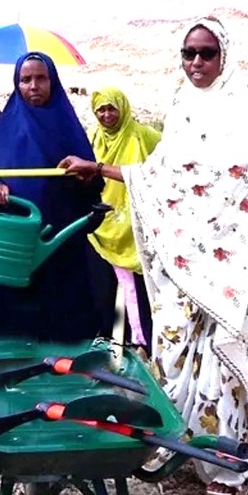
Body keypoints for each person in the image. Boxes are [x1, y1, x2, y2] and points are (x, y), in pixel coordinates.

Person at [60, 17, 248, 495]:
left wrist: (110, 171)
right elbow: (162, 172)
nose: (196, 62)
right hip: (181, 255)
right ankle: (177, 443)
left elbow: (227, 181)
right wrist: (101, 168)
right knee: (172, 350)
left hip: (229, 259)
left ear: (225, 57)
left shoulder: (238, 109)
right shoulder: (180, 106)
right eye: (188, 53)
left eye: (207, 53)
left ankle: (224, 462)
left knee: (222, 356)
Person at [0, 51, 106, 343]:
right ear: (17, 84)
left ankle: (65, 372)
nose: (33, 85)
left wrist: (87, 178)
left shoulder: (68, 127)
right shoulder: (4, 130)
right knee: (16, 321)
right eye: (25, 80)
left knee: (63, 313)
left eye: (40, 78)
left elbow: (93, 183)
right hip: (14, 243)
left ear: (52, 81)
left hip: (60, 239)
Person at [86, 86, 161, 352]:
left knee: (140, 285)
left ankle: (146, 340)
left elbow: (165, 165)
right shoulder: (93, 138)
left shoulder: (143, 137)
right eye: (101, 110)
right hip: (103, 223)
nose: (107, 115)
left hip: (135, 222)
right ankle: (115, 336)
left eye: (111, 108)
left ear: (123, 108)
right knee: (105, 285)